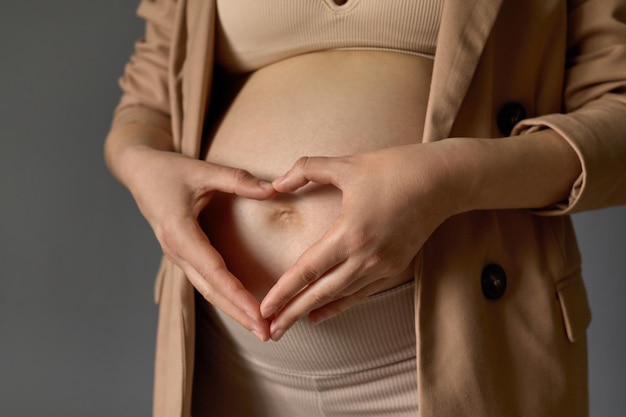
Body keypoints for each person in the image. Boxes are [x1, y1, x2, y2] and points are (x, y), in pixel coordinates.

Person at [104, 0, 626, 416]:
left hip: (452, 352)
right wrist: (140, 165)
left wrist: (447, 180)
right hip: (231, 365)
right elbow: (148, 97)